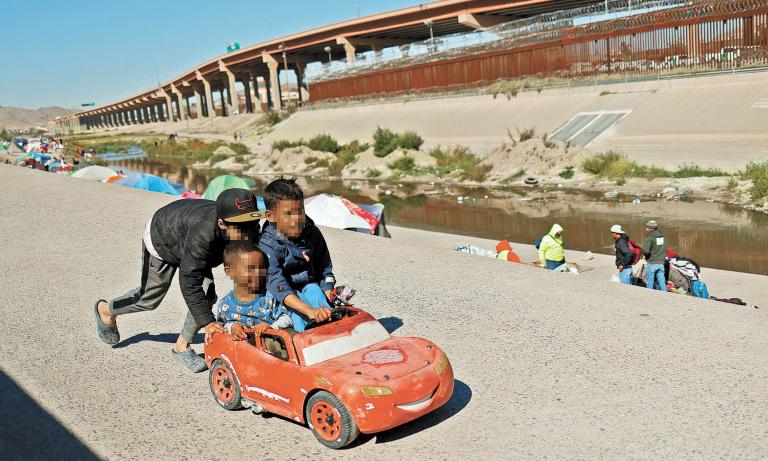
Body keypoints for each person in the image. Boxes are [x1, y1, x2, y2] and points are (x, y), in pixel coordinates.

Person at [93, 188, 263, 372]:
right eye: (240, 226)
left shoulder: (249, 227)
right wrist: (208, 322)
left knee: (206, 297)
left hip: (191, 241)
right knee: (148, 299)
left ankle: (181, 347)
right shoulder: (203, 235)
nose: (248, 231)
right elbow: (189, 279)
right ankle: (105, 310)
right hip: (163, 235)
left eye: (251, 222)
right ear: (222, 224)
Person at [258, 178, 333, 332]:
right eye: (289, 214)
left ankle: (330, 325)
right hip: (281, 296)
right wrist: (310, 311)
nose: (297, 219)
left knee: (313, 289)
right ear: (270, 216)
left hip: (308, 287)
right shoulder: (266, 245)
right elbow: (277, 285)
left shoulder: (312, 233)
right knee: (298, 314)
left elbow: (324, 267)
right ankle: (305, 335)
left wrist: (328, 293)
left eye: (300, 211)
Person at [214, 242, 291, 341]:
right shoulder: (225, 304)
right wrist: (232, 327)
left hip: (270, 346)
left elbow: (287, 318)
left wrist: (271, 327)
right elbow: (222, 326)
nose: (257, 273)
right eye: (250, 268)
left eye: (261, 267)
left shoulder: (270, 297)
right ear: (229, 271)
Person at [642, 220, 667, 292]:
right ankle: (666, 296)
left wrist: (644, 254)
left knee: (650, 282)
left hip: (652, 262)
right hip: (661, 263)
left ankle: (649, 297)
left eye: (647, 227)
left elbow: (646, 251)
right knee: (662, 282)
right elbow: (663, 248)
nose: (646, 229)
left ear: (650, 228)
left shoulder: (649, 237)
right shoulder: (662, 236)